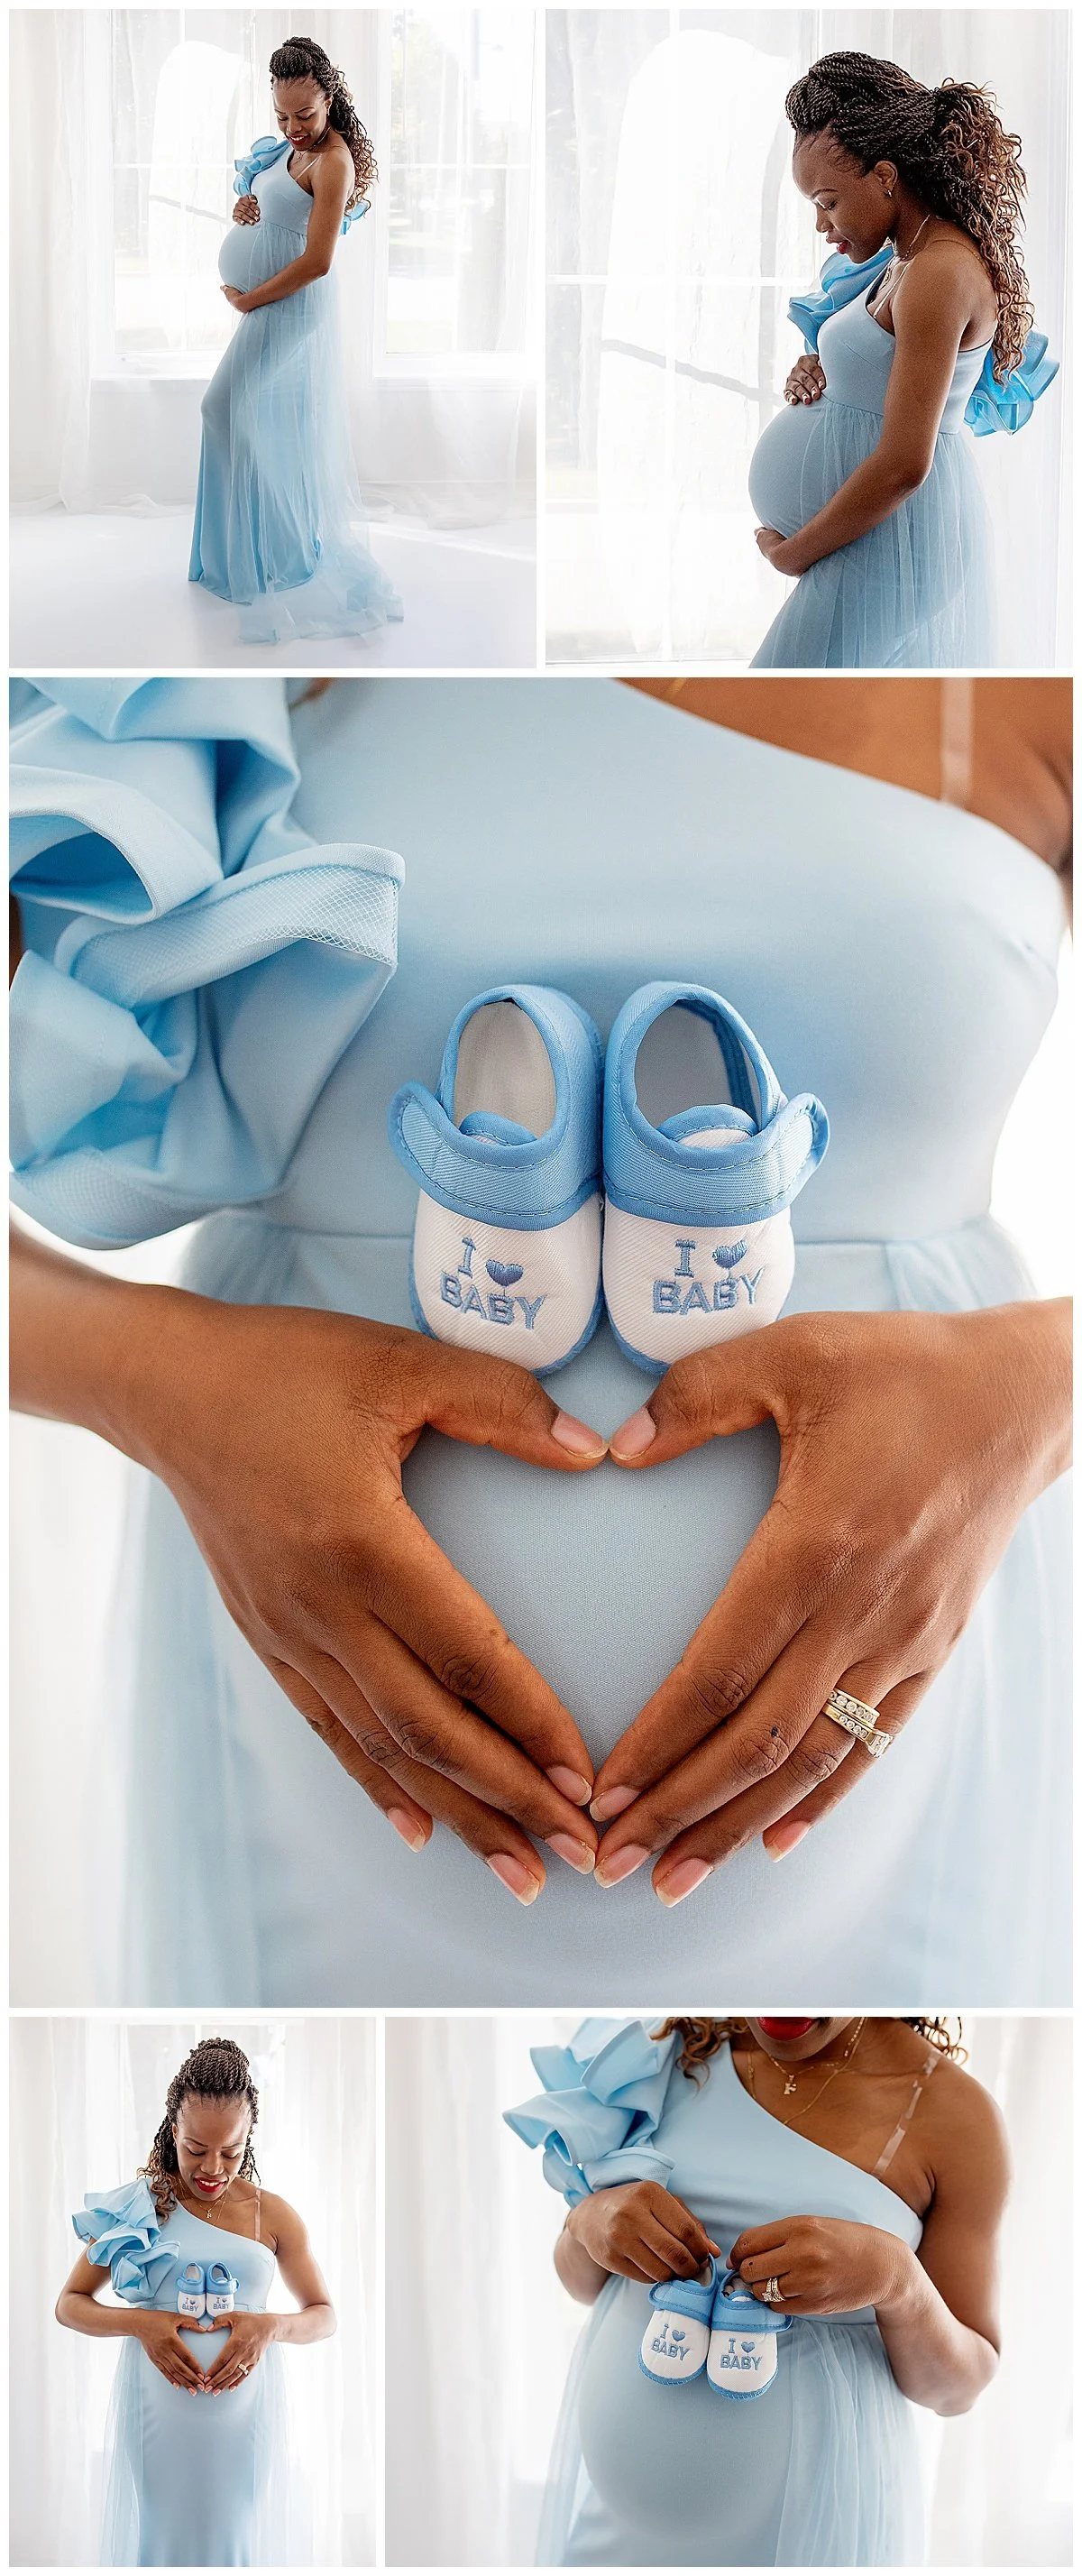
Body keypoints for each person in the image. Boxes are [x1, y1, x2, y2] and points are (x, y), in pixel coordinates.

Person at [9, 672, 1071, 2005]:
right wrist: (151, 1375)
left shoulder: (1025, 671)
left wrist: (1039, 1389)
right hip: (317, 1797)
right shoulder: (180, 668)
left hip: (911, 1760)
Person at [510, 2014, 1006, 2565]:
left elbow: (958, 2390)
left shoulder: (954, 2116)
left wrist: (897, 2280)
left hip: (813, 2537)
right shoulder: (668, 2054)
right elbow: (581, 2285)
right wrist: (588, 2221)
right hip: (614, 2535)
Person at [748, 54, 1056, 667]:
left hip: (897, 544)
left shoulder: (940, 271)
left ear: (885, 175)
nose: (820, 222)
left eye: (828, 201)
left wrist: (795, 553)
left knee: (790, 702)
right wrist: (821, 374)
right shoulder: (909, 257)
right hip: (879, 540)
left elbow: (904, 465)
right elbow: (884, 375)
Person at [56, 2037, 335, 2565]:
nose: (212, 2168)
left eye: (230, 2152)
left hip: (246, 2415)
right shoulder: (144, 2206)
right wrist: (141, 2324)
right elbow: (69, 2303)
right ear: (172, 2130)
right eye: (195, 2149)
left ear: (249, 2137)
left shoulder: (272, 2216)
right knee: (164, 2534)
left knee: (235, 2537)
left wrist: (270, 2327)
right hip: (160, 2413)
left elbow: (324, 2316)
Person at [189, 36, 402, 644]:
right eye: (281, 117)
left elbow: (318, 260)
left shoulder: (336, 162)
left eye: (304, 115)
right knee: (255, 423)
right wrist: (246, 211)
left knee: (223, 411)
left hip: (290, 307)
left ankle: (275, 554)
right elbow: (269, 205)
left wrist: (249, 298)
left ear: (329, 99)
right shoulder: (290, 146)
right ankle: (252, 551)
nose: (293, 128)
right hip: (268, 304)